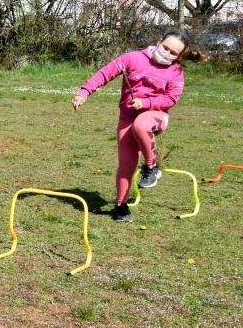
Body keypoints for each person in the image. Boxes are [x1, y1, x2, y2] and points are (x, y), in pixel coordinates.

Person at [72, 29, 204, 222]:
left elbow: (171, 99)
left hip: (156, 116)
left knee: (141, 124)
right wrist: (84, 92)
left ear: (179, 55)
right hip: (127, 118)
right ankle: (121, 206)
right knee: (126, 164)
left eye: (173, 53)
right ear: (159, 41)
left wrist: (146, 103)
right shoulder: (133, 58)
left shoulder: (176, 72)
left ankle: (152, 165)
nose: (167, 53)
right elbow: (104, 73)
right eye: (165, 47)